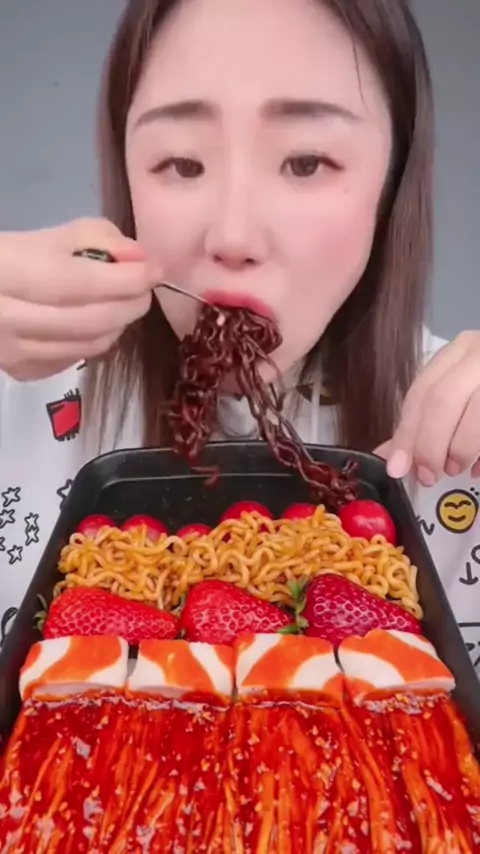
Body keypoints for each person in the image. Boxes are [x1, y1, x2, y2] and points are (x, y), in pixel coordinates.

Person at [0, 0, 479, 665]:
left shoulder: (462, 432)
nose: (233, 236)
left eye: (305, 162)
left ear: (393, 180)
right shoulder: (20, 387)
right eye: (183, 163)